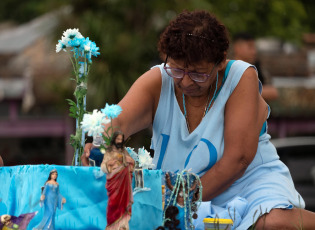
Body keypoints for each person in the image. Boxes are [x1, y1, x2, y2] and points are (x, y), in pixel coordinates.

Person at [84, 10, 315, 229]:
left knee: (272, 224)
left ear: (221, 61)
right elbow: (111, 123)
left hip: (248, 183)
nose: (185, 82)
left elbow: (239, 159)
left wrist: (178, 201)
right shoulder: (157, 79)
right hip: (177, 192)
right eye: (177, 70)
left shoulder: (241, 77)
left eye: (198, 73)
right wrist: (111, 147)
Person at [100, 131, 135, 230]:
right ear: (114, 139)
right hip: (113, 181)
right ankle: (112, 226)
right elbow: (103, 167)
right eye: (118, 139)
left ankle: (122, 225)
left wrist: (131, 162)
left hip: (124, 182)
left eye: (121, 139)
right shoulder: (109, 152)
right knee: (113, 204)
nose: (119, 141)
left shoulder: (124, 151)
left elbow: (132, 164)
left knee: (124, 203)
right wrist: (108, 164)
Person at [232, 32, 279, 101]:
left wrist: (245, 92)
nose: (254, 52)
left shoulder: (257, 68)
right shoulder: (229, 69)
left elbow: (273, 92)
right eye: (250, 47)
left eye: (254, 47)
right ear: (237, 48)